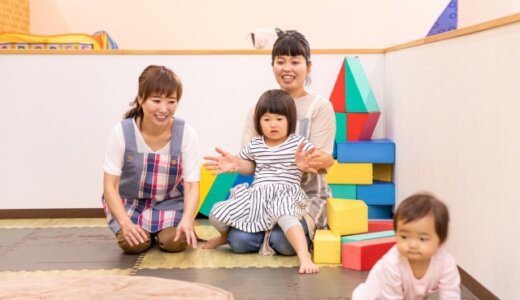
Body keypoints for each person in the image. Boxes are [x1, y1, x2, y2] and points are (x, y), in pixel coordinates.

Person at [209, 30, 336, 257]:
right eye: (280, 61)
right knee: (239, 241)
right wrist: (237, 164)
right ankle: (263, 232)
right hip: (264, 197)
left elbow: (327, 159)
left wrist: (311, 163)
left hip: (305, 196)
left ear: (308, 66)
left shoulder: (320, 107)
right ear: (273, 66)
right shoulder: (259, 109)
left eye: (295, 61)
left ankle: (275, 235)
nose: (287, 68)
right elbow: (252, 163)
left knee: (284, 243)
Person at [203, 89, 320, 274]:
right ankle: (224, 236)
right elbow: (246, 165)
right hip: (259, 195)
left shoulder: (298, 142)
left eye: (279, 119)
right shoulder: (255, 144)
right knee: (217, 213)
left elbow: (317, 159)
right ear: (259, 121)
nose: (273, 124)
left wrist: (306, 165)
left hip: (286, 193)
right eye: (266, 119)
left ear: (290, 120)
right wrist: (236, 163)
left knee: (284, 213)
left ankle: (304, 256)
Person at [102, 65, 200, 254]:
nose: (164, 109)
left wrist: (188, 219)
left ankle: (163, 232)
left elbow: (191, 186)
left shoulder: (186, 133)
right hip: (130, 203)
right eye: (156, 100)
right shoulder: (122, 132)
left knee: (175, 242)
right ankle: (144, 233)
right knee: (133, 244)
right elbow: (110, 187)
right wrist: (125, 223)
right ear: (140, 99)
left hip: (170, 203)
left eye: (171, 101)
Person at [352, 193, 461, 299]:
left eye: (422, 239)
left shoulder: (445, 263)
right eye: (404, 237)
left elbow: (451, 295)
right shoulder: (392, 263)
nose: (413, 245)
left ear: (440, 241)